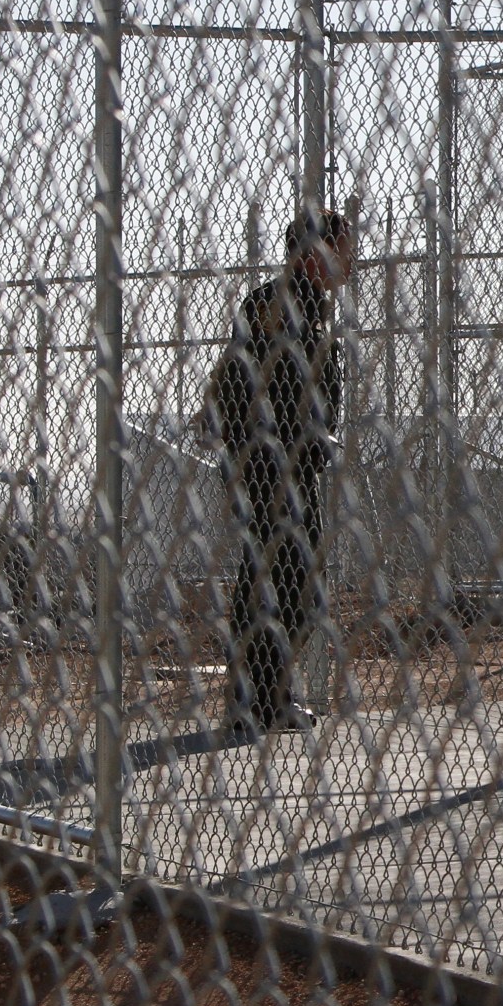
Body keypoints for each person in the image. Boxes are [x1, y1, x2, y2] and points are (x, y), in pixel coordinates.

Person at [200, 206, 356, 734]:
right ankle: (257, 700)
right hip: (268, 466)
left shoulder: (310, 306)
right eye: (342, 246)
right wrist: (306, 439)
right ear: (314, 255)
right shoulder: (280, 305)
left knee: (288, 580)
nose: (351, 258)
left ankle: (265, 696)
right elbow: (272, 391)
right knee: (279, 579)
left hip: (286, 466)